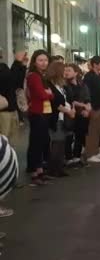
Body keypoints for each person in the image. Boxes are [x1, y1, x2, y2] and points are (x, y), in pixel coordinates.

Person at [26, 50, 53, 186]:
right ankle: (34, 173)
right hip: (37, 112)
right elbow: (42, 95)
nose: (43, 63)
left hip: (43, 112)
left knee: (42, 141)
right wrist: (48, 93)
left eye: (46, 60)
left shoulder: (42, 76)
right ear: (34, 62)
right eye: (40, 60)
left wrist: (48, 93)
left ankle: (40, 170)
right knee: (36, 143)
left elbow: (49, 94)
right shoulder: (33, 76)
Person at [47, 61, 74, 177]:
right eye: (63, 71)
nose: (65, 73)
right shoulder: (50, 85)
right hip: (55, 117)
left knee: (62, 142)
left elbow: (64, 100)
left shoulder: (60, 86)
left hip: (62, 117)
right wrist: (68, 111)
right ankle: (54, 169)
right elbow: (55, 103)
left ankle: (59, 167)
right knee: (57, 142)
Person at [83, 56, 100, 163]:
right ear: (95, 65)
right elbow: (86, 93)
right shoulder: (88, 77)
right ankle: (90, 154)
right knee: (92, 132)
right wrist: (89, 106)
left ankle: (97, 151)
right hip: (94, 107)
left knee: (99, 131)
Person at [64, 64, 91, 167]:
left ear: (76, 73)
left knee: (80, 136)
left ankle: (77, 157)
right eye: (65, 70)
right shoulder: (65, 86)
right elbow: (71, 101)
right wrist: (84, 105)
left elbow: (88, 98)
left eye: (69, 70)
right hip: (70, 114)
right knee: (69, 137)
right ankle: (68, 157)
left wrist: (87, 108)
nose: (66, 72)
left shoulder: (82, 85)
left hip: (82, 114)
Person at [0, 53, 23, 143]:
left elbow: (15, 83)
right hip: (4, 112)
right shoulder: (3, 69)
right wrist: (17, 63)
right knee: (5, 142)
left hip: (10, 109)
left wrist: (20, 65)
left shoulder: (3, 68)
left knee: (11, 141)